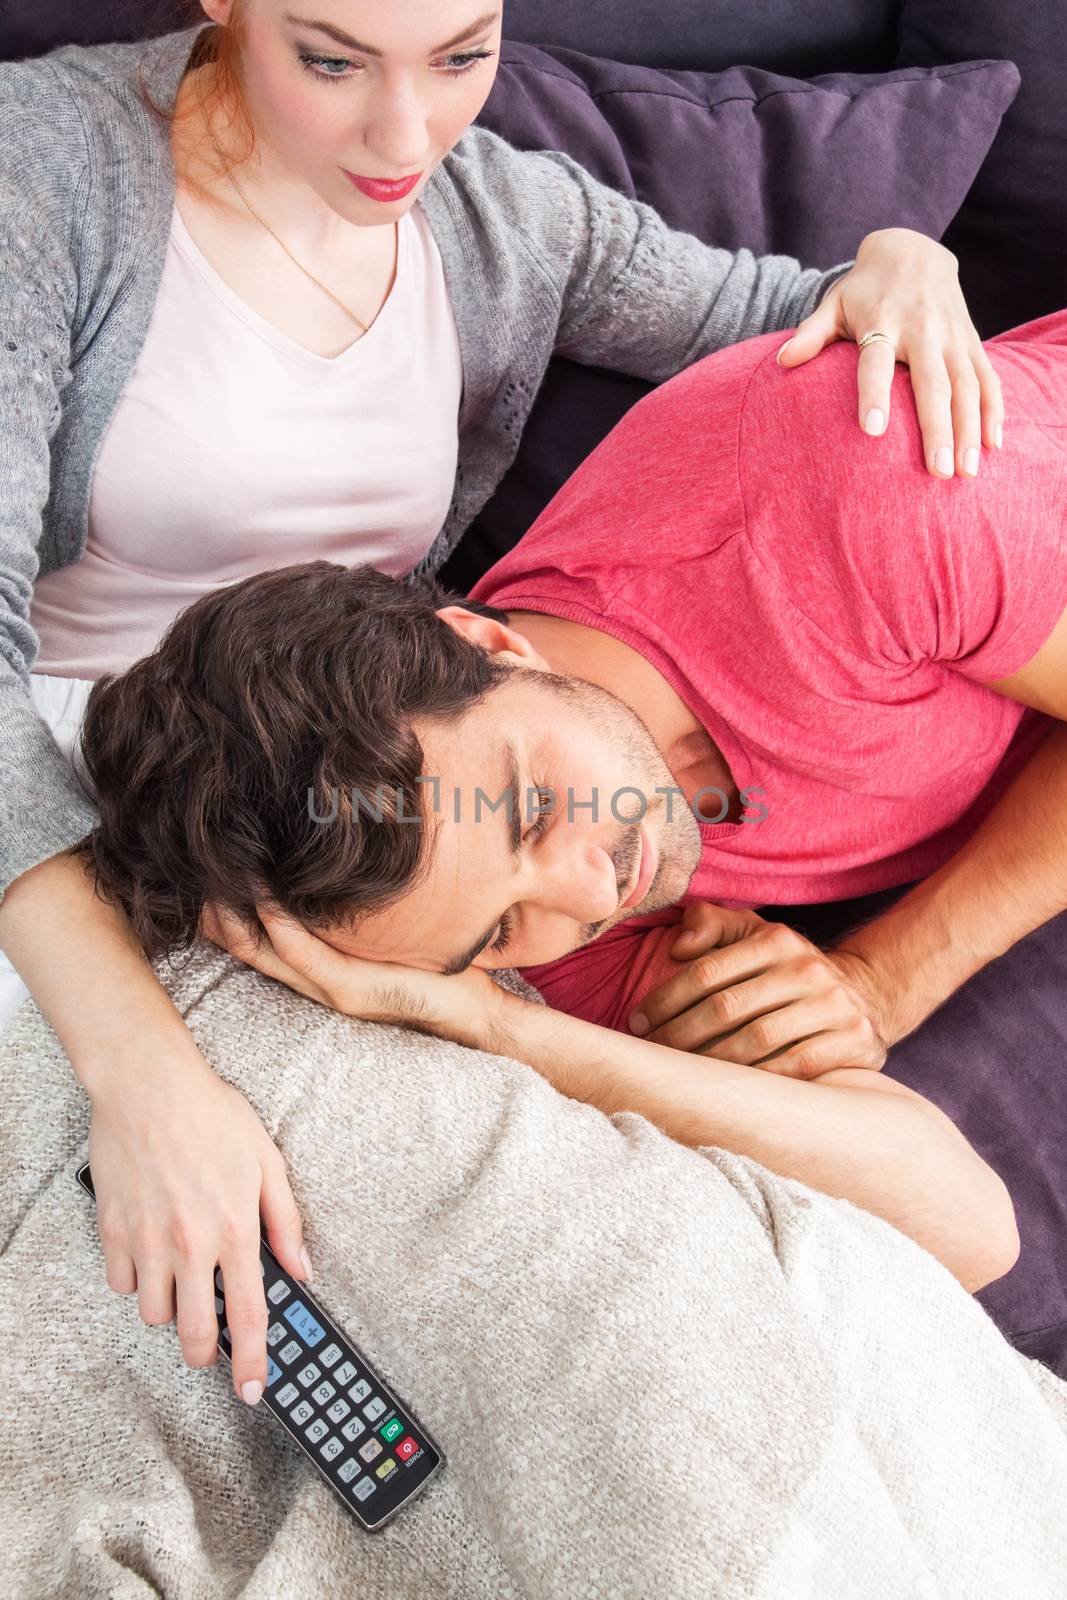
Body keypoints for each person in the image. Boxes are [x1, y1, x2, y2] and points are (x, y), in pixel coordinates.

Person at [0, 0, 1003, 1409]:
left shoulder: (501, 219)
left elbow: (781, 314)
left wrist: (900, 257)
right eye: (332, 60)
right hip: (55, 809)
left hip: (362, 806)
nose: (405, 133)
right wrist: (141, 1071)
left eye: (461, 55)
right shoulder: (43, 176)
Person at [71, 309, 1067, 1309]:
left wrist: (877, 980)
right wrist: (500, 1029)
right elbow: (964, 1221)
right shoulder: (514, 916)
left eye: (532, 807)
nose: (589, 892)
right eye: (496, 931)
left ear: (491, 648)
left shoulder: (858, 502)